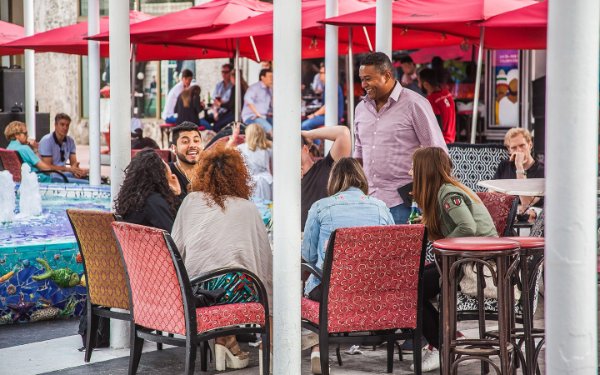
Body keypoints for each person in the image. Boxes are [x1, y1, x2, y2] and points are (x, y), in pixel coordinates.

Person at [171, 144, 272, 372]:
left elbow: (176, 250)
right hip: (236, 290)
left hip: (197, 291)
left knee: (225, 271)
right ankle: (229, 341)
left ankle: (225, 341)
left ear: (203, 172)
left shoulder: (190, 201)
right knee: (241, 275)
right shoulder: (247, 208)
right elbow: (263, 259)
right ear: (239, 176)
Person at [302, 157, 394, 374]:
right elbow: (390, 252)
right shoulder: (381, 207)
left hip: (331, 292)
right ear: (361, 178)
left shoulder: (320, 207)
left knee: (309, 284)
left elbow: (307, 255)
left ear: (333, 180)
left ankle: (316, 347)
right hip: (373, 292)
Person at [410, 147, 497, 372]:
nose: (410, 172)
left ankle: (440, 344)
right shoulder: (447, 190)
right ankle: (446, 337)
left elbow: (468, 227)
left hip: (475, 266)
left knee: (411, 289)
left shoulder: (448, 194)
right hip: (469, 261)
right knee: (414, 284)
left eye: (413, 167)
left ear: (424, 171)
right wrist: (426, 227)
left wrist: (441, 242)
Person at [354, 52, 447, 224]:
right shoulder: (361, 108)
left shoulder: (414, 104)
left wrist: (431, 200)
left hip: (404, 203)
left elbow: (439, 154)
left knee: (403, 252)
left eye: (368, 79)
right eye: (361, 79)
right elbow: (359, 152)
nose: (363, 84)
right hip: (367, 202)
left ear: (387, 75)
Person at [114, 149, 180, 232]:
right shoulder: (154, 202)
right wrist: (177, 194)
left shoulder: (130, 200)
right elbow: (174, 235)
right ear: (160, 175)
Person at [301, 125, 352, 230]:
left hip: (326, 238)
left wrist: (308, 134)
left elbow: (343, 133)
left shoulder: (327, 166)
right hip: (296, 240)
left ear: (305, 149)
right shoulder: (285, 181)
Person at [493, 128, 544, 221]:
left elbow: (526, 203)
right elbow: (491, 195)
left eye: (522, 145)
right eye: (514, 147)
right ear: (509, 150)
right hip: (505, 218)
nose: (519, 150)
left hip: (531, 223)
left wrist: (519, 167)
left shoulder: (542, 171)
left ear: (530, 144)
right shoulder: (504, 165)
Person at [38, 113, 89, 183]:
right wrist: (69, 169)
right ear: (55, 125)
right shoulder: (46, 141)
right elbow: (47, 168)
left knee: (92, 179)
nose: (65, 128)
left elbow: (73, 164)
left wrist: (78, 171)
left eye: (67, 125)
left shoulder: (70, 141)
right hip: (50, 176)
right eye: (62, 125)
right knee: (87, 183)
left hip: (63, 173)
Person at [418, 68, 456, 144]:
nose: (418, 85)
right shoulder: (447, 93)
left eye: (419, 82)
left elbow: (437, 124)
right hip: (452, 139)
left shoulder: (432, 100)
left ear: (426, 84)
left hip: (441, 143)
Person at [301, 66, 345, 131]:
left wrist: (314, 115)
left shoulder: (332, 87)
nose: (319, 75)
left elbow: (327, 107)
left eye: (321, 73)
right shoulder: (329, 86)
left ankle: (316, 141)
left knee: (304, 125)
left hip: (331, 117)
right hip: (327, 116)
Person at [238, 124, 272, 200]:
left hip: (248, 182)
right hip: (266, 181)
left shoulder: (240, 148)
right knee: (266, 208)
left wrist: (233, 139)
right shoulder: (269, 147)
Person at [241, 68, 273, 134]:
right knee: (270, 129)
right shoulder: (255, 87)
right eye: (270, 77)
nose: (272, 79)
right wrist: (257, 113)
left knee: (278, 126)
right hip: (252, 117)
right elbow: (247, 99)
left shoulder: (270, 89)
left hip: (264, 116)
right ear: (263, 77)